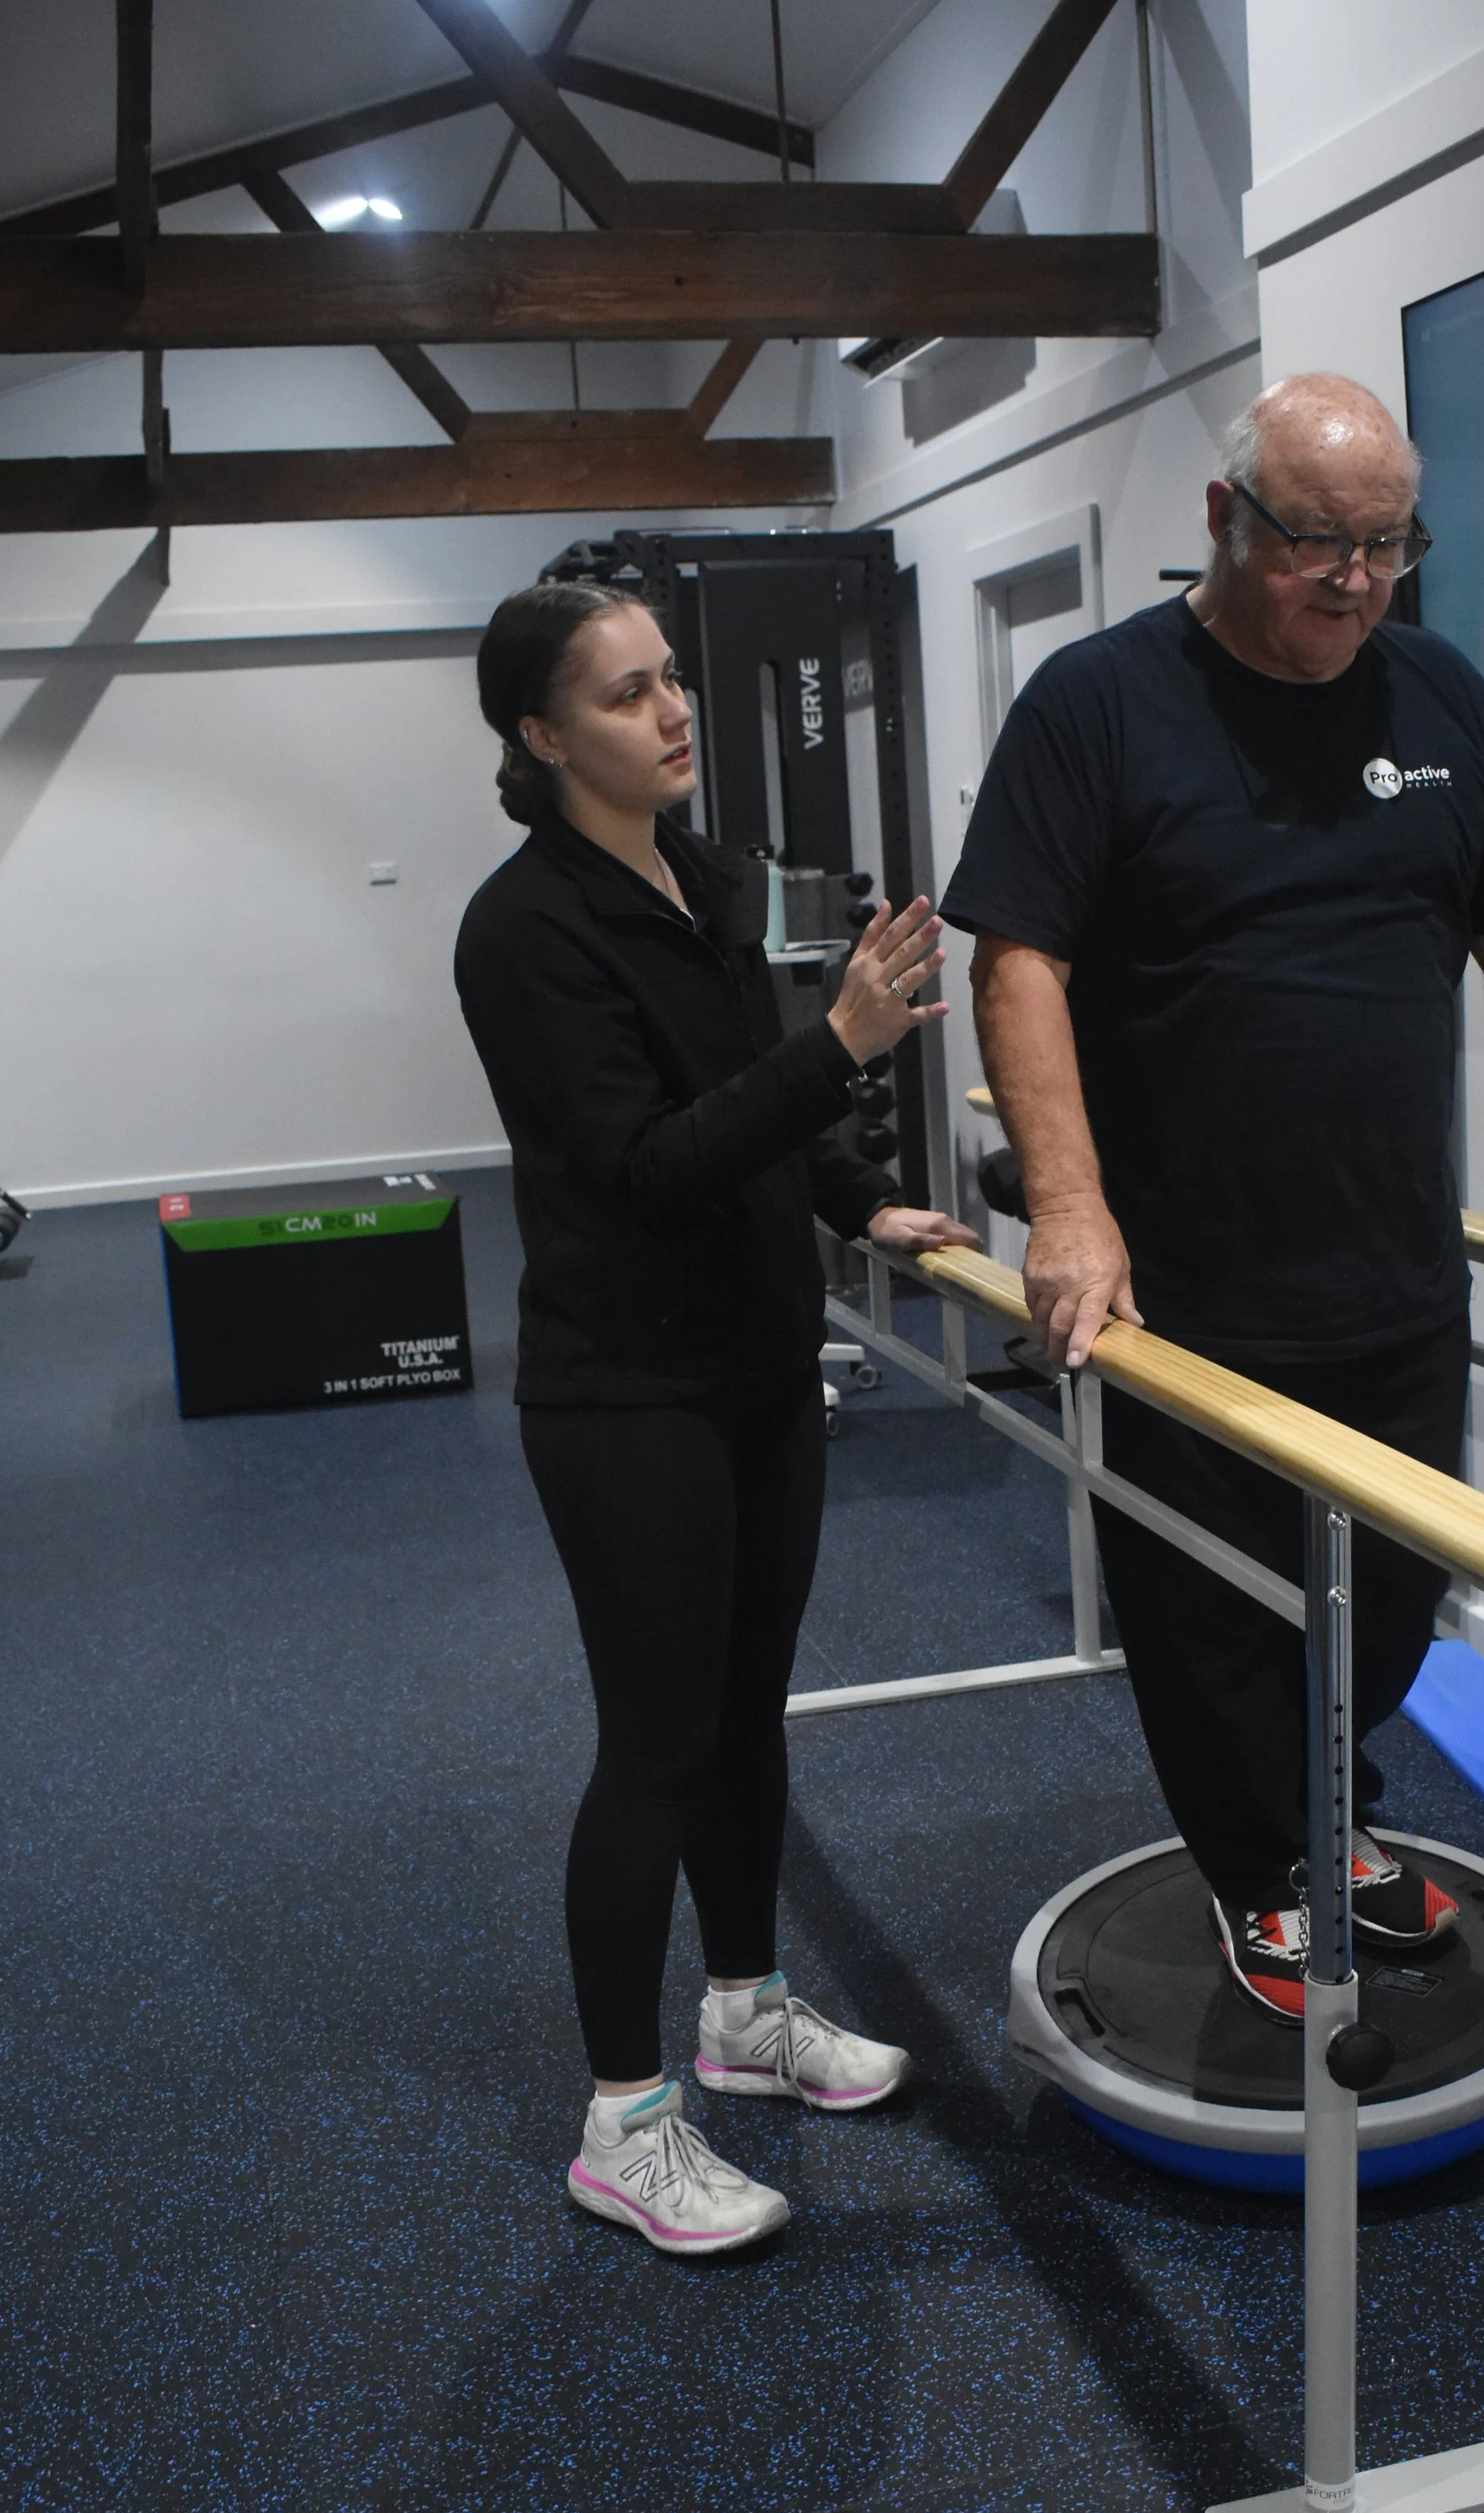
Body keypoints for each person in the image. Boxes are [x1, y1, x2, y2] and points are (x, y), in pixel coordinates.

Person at [943, 374, 1484, 2024]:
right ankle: (1262, 1867)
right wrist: (1069, 1207)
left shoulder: (1439, 693)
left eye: (1389, 544)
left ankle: (1328, 1820)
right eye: (1319, 541)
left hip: (1392, 1268)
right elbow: (1020, 962)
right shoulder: (1099, 702)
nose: (1355, 579)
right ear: (1225, 518)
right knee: (1210, 1612)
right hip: (1185, 1286)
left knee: (1389, 1604)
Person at [454, 578, 980, 2251]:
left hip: (758, 1364)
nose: (673, 709)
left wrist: (859, 1200)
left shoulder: (706, 878)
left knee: (749, 1713)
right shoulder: (522, 931)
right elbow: (649, 1164)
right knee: (658, 1746)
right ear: (542, 737)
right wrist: (842, 1044)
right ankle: (622, 2125)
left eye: (670, 677)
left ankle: (744, 2013)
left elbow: (753, 1103)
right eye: (625, 694)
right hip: (625, 1394)